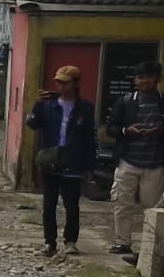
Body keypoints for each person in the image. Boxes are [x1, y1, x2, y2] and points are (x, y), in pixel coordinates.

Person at [25, 64, 97, 258]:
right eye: (58, 82)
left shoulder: (85, 108)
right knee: (49, 204)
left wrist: (89, 166)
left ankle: (71, 241)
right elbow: (32, 123)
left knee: (72, 204)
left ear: (75, 84)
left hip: (73, 160)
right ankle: (49, 242)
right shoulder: (48, 105)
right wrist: (37, 104)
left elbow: (90, 138)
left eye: (65, 83)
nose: (60, 86)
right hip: (51, 159)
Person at [105, 59, 164, 259]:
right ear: (135, 80)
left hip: (155, 163)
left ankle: (149, 248)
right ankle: (123, 243)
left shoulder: (162, 101)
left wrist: (160, 131)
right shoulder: (126, 102)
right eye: (141, 77)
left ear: (157, 79)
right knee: (122, 204)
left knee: (153, 207)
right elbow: (111, 128)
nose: (145, 81)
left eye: (149, 76)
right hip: (128, 160)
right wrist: (126, 130)